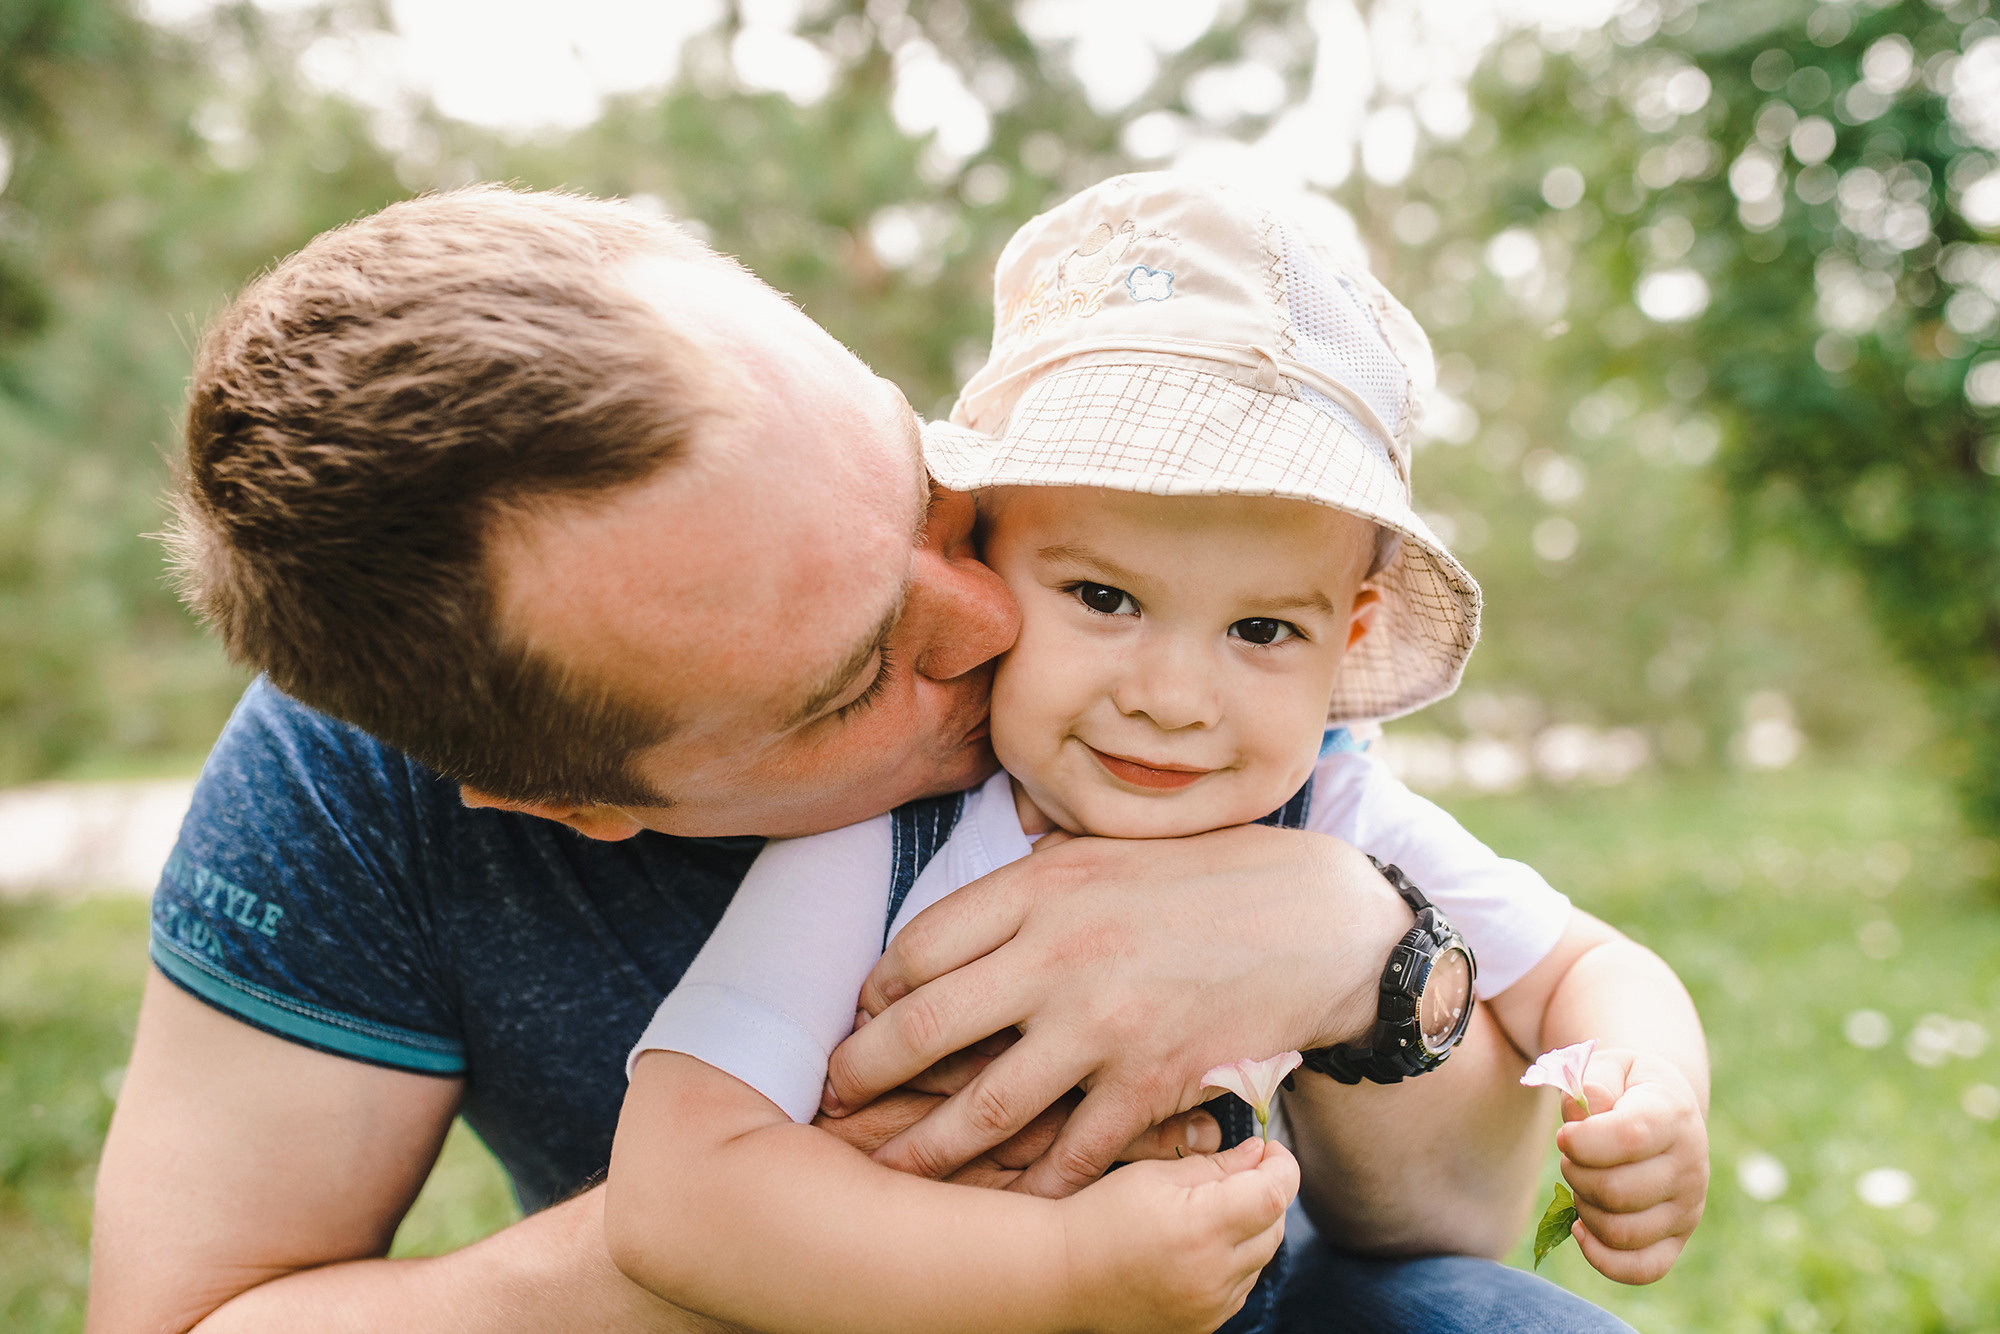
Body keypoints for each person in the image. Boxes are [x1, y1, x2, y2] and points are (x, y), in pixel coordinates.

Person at [87, 184, 1641, 1333]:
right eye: (856, 673)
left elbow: (1463, 1231)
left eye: (921, 492)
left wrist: (1363, 944)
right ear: (575, 800)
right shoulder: (363, 777)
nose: (991, 620)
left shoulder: (1148, 572)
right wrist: (864, 1213)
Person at [603, 175, 1711, 1334]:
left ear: (1352, 636)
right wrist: (1063, 1267)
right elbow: (678, 1190)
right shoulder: (889, 836)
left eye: (1261, 628)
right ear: (982, 553)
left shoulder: (1333, 807)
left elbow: (1587, 968)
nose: (1173, 699)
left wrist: (1644, 1089)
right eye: (1102, 595)